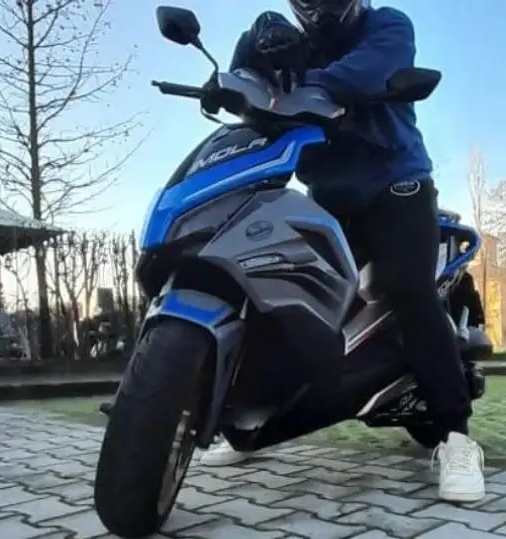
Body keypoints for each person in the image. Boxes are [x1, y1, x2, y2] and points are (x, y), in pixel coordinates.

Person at [199, 0, 485, 503]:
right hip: (329, 196)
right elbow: (246, 74)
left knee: (408, 286)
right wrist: (229, 81)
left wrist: (295, 85)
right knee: (276, 287)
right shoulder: (284, 39)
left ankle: (456, 438)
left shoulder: (387, 25)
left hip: (396, 183)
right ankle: (246, 425)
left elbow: (365, 73)